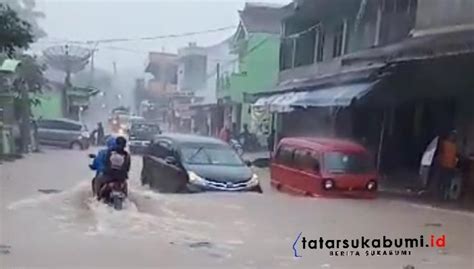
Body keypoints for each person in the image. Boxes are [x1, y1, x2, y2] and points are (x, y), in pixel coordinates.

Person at [435, 131, 459, 201]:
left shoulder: (455, 146)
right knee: (442, 181)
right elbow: (440, 153)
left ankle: (445, 196)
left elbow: (455, 156)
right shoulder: (444, 143)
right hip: (443, 165)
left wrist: (455, 164)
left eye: (454, 136)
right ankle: (440, 195)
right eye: (452, 135)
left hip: (450, 167)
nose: (453, 137)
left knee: (447, 183)